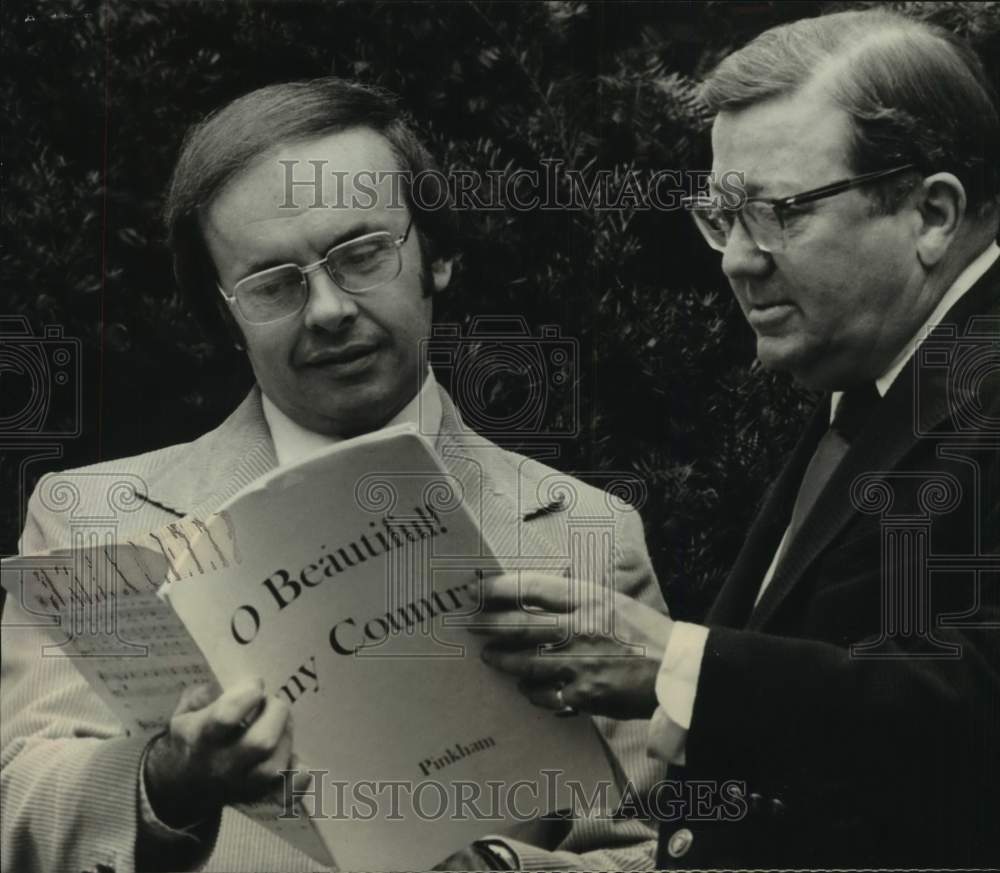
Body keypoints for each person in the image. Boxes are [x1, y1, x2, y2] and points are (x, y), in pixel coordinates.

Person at [0, 78, 668, 873]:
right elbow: (19, 804)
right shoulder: (94, 519)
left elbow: (644, 851)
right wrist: (165, 780)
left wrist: (500, 869)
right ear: (226, 314)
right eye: (274, 284)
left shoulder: (583, 530)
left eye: (360, 255)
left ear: (438, 255)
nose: (326, 310)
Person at [475, 9, 1000, 868]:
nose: (736, 259)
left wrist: (678, 660)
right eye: (725, 213)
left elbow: (976, 711)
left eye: (777, 212)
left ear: (932, 214)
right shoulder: (875, 387)